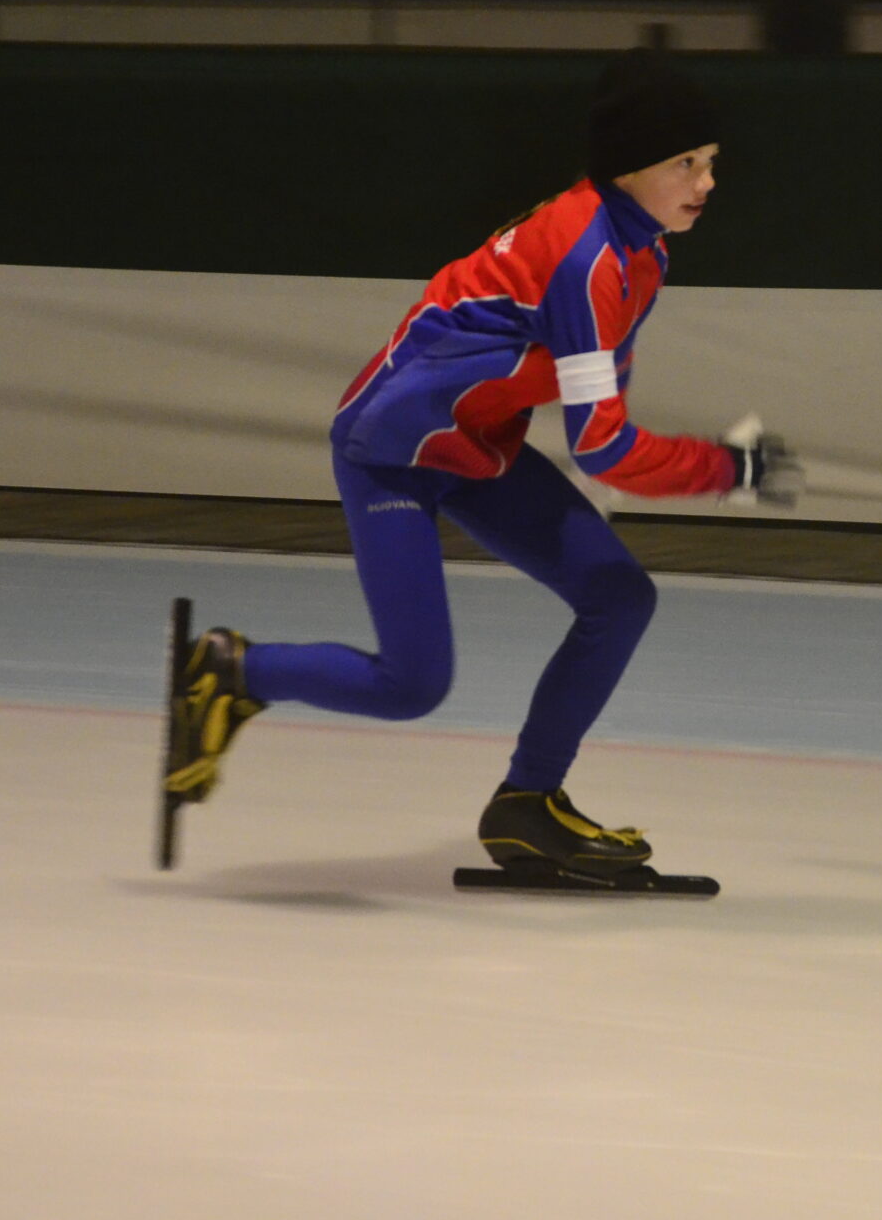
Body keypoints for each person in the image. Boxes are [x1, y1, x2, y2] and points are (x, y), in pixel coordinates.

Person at [163, 50, 797, 880]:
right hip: (390, 451)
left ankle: (527, 804)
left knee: (619, 598)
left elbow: (600, 417)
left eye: (711, 160)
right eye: (686, 162)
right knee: (411, 684)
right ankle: (233, 671)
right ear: (629, 166)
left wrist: (706, 468)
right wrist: (725, 470)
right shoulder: (588, 260)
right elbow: (604, 449)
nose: (708, 181)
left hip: (473, 446)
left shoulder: (640, 251)